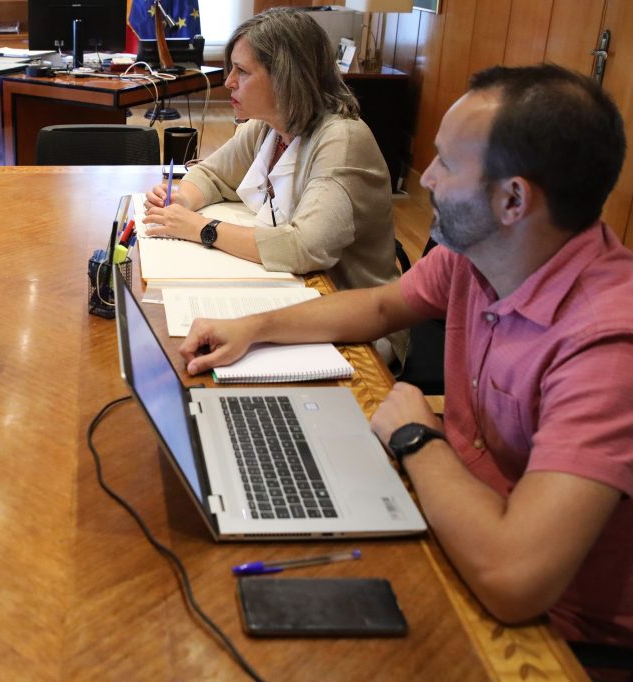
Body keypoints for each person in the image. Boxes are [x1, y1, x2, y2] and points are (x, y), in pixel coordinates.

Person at [177, 64, 633, 650]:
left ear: (513, 199)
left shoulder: (607, 345)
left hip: (553, 636)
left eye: (446, 163)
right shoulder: (485, 250)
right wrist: (253, 328)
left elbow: (515, 579)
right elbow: (381, 308)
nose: (427, 181)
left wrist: (418, 439)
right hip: (454, 522)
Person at [143, 7, 405, 365]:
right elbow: (213, 175)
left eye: (243, 71)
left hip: (358, 329)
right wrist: (181, 198)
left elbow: (306, 247)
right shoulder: (268, 125)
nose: (228, 81)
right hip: (295, 297)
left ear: (286, 78)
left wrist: (203, 229)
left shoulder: (342, 141)